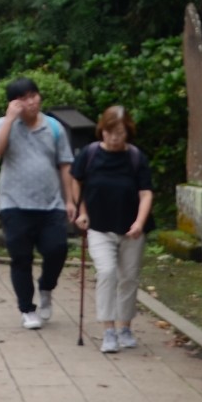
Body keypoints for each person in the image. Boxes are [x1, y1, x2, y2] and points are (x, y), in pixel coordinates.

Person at [0, 76, 76, 330]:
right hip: (15, 203)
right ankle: (27, 308)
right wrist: (10, 119)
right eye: (22, 98)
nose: (30, 102)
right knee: (21, 258)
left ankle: (46, 287)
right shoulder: (4, 124)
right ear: (13, 103)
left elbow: (65, 164)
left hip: (51, 203)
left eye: (33, 95)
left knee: (57, 249)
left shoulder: (54, 127)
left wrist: (70, 200)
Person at [72, 105, 155, 353]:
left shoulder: (136, 158)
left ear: (128, 132)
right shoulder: (90, 154)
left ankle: (125, 326)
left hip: (131, 228)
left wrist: (139, 222)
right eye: (110, 132)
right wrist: (81, 211)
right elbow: (77, 180)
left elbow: (146, 193)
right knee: (107, 272)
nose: (115, 137)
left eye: (120, 132)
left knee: (129, 278)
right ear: (103, 130)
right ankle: (109, 330)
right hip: (99, 226)